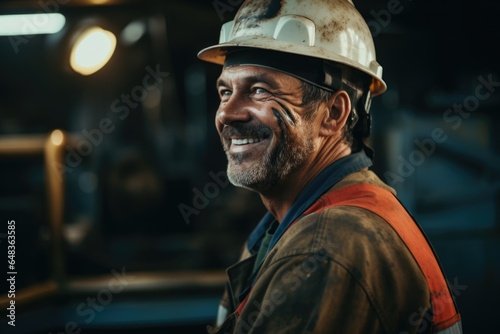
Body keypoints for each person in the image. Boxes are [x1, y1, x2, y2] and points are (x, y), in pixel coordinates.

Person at [197, 0, 462, 333]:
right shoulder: (292, 225)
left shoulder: (324, 249)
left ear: (334, 113)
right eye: (225, 91)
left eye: (260, 90)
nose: (227, 114)